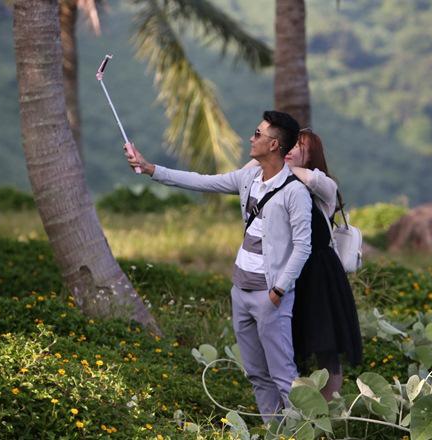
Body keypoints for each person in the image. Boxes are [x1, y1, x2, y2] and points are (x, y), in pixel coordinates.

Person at [124, 111, 312, 420]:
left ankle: (302, 431)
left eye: (258, 134)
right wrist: (149, 169)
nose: (251, 139)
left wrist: (278, 290)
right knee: (256, 374)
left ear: (274, 144)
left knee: (283, 376)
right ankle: (274, 431)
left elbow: (302, 247)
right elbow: (202, 182)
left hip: (270, 296)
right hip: (241, 291)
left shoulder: (295, 193)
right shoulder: (248, 177)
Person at [244, 128, 362, 400]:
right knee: (288, 342)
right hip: (287, 271)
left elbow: (313, 179)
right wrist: (267, 153)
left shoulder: (322, 185)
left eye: (298, 146)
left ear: (311, 155)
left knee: (325, 344)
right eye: (287, 145)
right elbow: (247, 168)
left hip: (319, 275)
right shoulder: (275, 183)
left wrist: (277, 163)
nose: (289, 150)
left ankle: (329, 408)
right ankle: (296, 408)